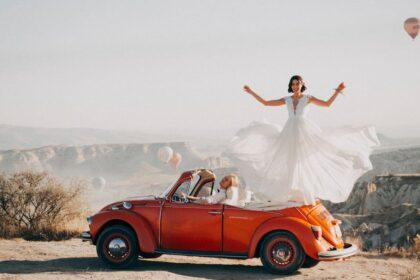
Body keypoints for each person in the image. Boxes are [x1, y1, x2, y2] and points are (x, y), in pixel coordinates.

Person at [224, 75, 380, 206]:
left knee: (303, 161)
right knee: (289, 161)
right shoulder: (286, 99)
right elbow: (265, 102)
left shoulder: (308, 98)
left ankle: (304, 192)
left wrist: (337, 92)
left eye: (297, 83)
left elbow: (327, 104)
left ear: (302, 84)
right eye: (293, 84)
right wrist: (251, 92)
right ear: (290, 86)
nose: (295, 86)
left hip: (304, 131)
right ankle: (290, 193)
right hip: (289, 132)